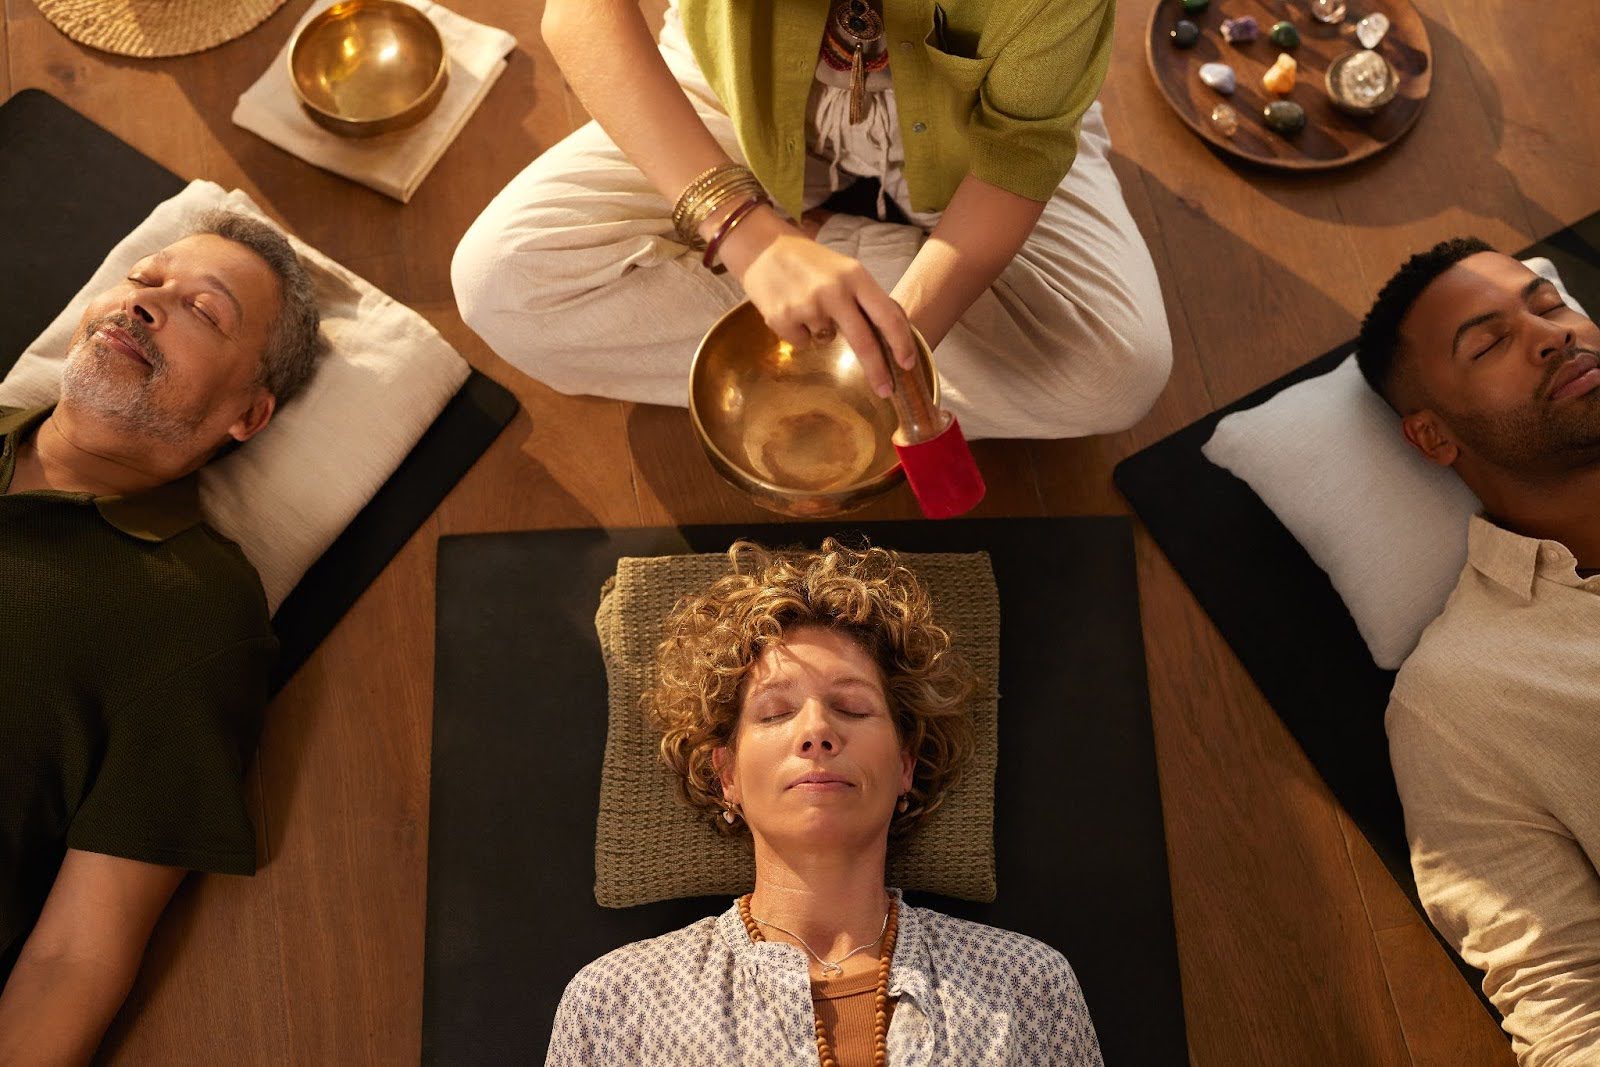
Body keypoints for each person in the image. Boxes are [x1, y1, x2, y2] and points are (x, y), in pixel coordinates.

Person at [452, 0, 1171, 441]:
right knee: (502, 282)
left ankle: (826, 272)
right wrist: (746, 232)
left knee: (1114, 376)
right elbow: (582, 14)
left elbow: (1019, 152)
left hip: (986, 122)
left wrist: (892, 354)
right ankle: (807, 272)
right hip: (735, 83)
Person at [546, 540, 1103, 1065]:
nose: (816, 732)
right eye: (775, 712)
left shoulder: (1023, 985)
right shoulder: (619, 1003)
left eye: (853, 709)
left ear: (905, 766)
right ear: (727, 775)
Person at [0, 210, 321, 1061]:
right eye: (144, 279)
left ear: (247, 414)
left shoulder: (195, 607)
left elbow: (75, 955)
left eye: (204, 311)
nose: (145, 303)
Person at [1357, 237, 1600, 1065]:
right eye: (1490, 342)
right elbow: (1566, 1010)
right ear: (1432, 436)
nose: (1554, 335)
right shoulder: (1459, 701)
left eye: (1551, 305)